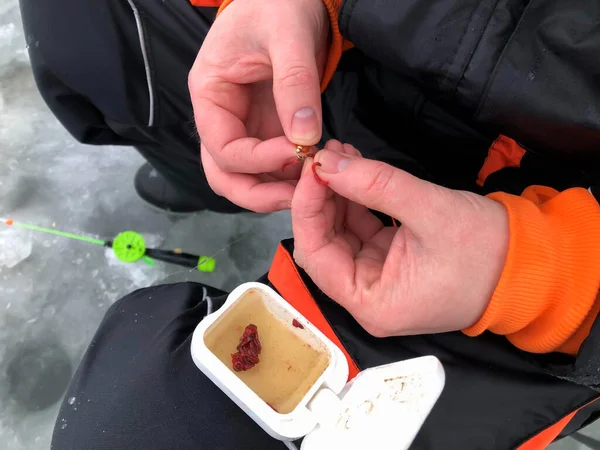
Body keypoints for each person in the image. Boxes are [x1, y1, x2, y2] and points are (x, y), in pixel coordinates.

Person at [18, 0, 600, 448]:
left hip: (547, 294)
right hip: (367, 78)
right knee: (75, 21)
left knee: (147, 420)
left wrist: (539, 273)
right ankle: (197, 168)